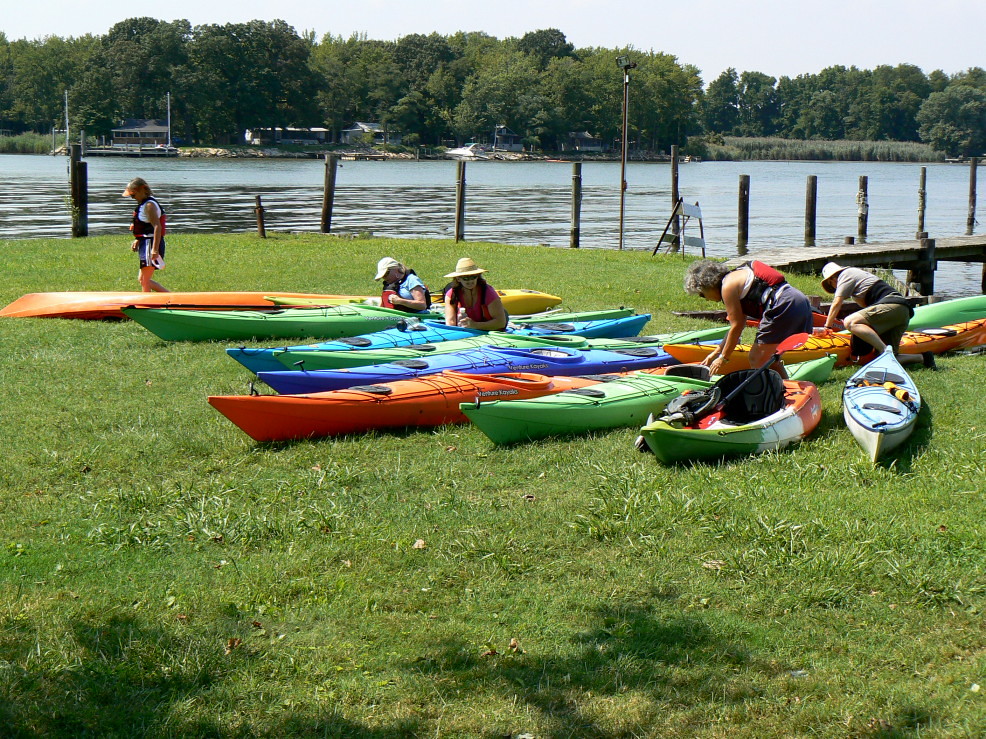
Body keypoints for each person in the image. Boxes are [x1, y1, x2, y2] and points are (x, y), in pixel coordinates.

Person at [684, 259, 813, 378]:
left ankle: (772, 397)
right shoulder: (737, 276)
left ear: (708, 284)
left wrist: (723, 358)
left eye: (702, 294)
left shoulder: (727, 287)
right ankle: (787, 390)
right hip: (799, 301)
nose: (706, 299)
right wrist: (717, 352)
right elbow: (736, 326)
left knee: (756, 359)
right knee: (769, 359)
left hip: (783, 305)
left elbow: (737, 326)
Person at [820, 262, 934, 368]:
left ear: (832, 279)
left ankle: (885, 350)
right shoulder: (859, 282)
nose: (835, 289)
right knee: (882, 359)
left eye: (832, 285)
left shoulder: (845, 274)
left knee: (850, 322)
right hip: (902, 311)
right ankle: (923, 358)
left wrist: (827, 327)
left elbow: (837, 302)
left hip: (892, 306)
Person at [123, 177, 169, 293]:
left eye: (133, 195)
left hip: (151, 244)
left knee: (145, 280)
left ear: (142, 190)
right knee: (142, 279)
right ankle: (171, 298)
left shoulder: (149, 205)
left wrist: (154, 250)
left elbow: (157, 227)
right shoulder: (144, 204)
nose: (132, 198)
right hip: (146, 242)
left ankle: (148, 305)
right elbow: (145, 227)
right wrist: (138, 239)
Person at [443, 257, 508, 331]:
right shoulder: (451, 294)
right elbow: (450, 323)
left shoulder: (488, 292)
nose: (470, 281)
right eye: (465, 278)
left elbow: (500, 323)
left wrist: (474, 325)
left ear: (478, 276)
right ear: (458, 279)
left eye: (473, 277)